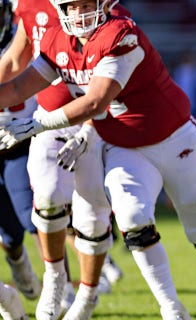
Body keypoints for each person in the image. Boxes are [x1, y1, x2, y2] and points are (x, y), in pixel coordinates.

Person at [0, 0, 196, 319]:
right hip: (124, 146)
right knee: (133, 220)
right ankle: (171, 307)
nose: (79, 14)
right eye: (71, 6)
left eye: (86, 4)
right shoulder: (55, 37)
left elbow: (95, 101)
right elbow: (19, 86)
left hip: (173, 139)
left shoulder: (121, 33)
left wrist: (36, 123)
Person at [0, 0, 128, 317]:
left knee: (93, 216)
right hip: (48, 118)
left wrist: (87, 129)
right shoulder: (33, 9)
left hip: (99, 123)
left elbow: (102, 90)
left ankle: (88, 294)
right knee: (46, 196)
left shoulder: (109, 15)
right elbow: (16, 64)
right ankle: (56, 279)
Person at [0, 0, 42, 305]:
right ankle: (18, 262)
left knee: (33, 215)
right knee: (10, 234)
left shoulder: (26, 37)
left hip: (19, 138)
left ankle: (61, 285)